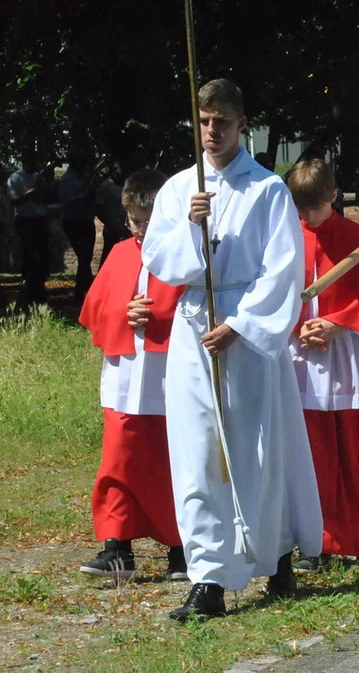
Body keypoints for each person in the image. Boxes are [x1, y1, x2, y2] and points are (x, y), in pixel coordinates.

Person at [142, 79, 322, 622]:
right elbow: (160, 260)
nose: (211, 132)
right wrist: (192, 229)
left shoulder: (266, 189)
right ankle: (209, 576)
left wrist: (241, 326)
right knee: (197, 452)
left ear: (243, 123)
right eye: (203, 120)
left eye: (221, 121)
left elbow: (282, 270)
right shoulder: (178, 189)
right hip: (196, 326)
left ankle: (273, 552)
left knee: (253, 448)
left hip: (245, 334)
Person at [77, 169, 186, 581]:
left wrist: (159, 314)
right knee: (119, 458)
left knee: (171, 458)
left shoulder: (184, 253)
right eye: (136, 220)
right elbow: (94, 310)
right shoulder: (121, 253)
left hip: (168, 372)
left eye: (150, 219)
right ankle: (116, 546)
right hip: (125, 373)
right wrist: (125, 313)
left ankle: (182, 546)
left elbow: (203, 311)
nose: (142, 229)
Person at [286, 159, 359, 571]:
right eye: (301, 209)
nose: (309, 218)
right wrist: (297, 327)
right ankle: (316, 539)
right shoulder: (284, 239)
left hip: (352, 358)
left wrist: (338, 322)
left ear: (334, 195)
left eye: (316, 206)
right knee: (312, 454)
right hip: (300, 358)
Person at [7, 150, 50, 304]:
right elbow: (13, 201)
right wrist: (32, 192)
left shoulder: (38, 177)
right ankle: (28, 289)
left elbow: (45, 197)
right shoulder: (15, 178)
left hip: (40, 219)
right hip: (25, 220)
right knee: (30, 255)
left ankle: (39, 288)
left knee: (42, 255)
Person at [59, 153, 97, 303]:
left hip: (86, 220)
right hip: (73, 222)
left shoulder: (86, 177)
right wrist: (87, 194)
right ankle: (80, 295)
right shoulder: (66, 180)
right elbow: (68, 202)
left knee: (86, 258)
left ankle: (89, 291)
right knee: (84, 258)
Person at [95, 157, 133, 266]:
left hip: (127, 229)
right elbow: (98, 208)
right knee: (108, 258)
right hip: (112, 229)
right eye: (115, 169)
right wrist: (110, 222)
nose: (117, 171)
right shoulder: (106, 186)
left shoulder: (128, 185)